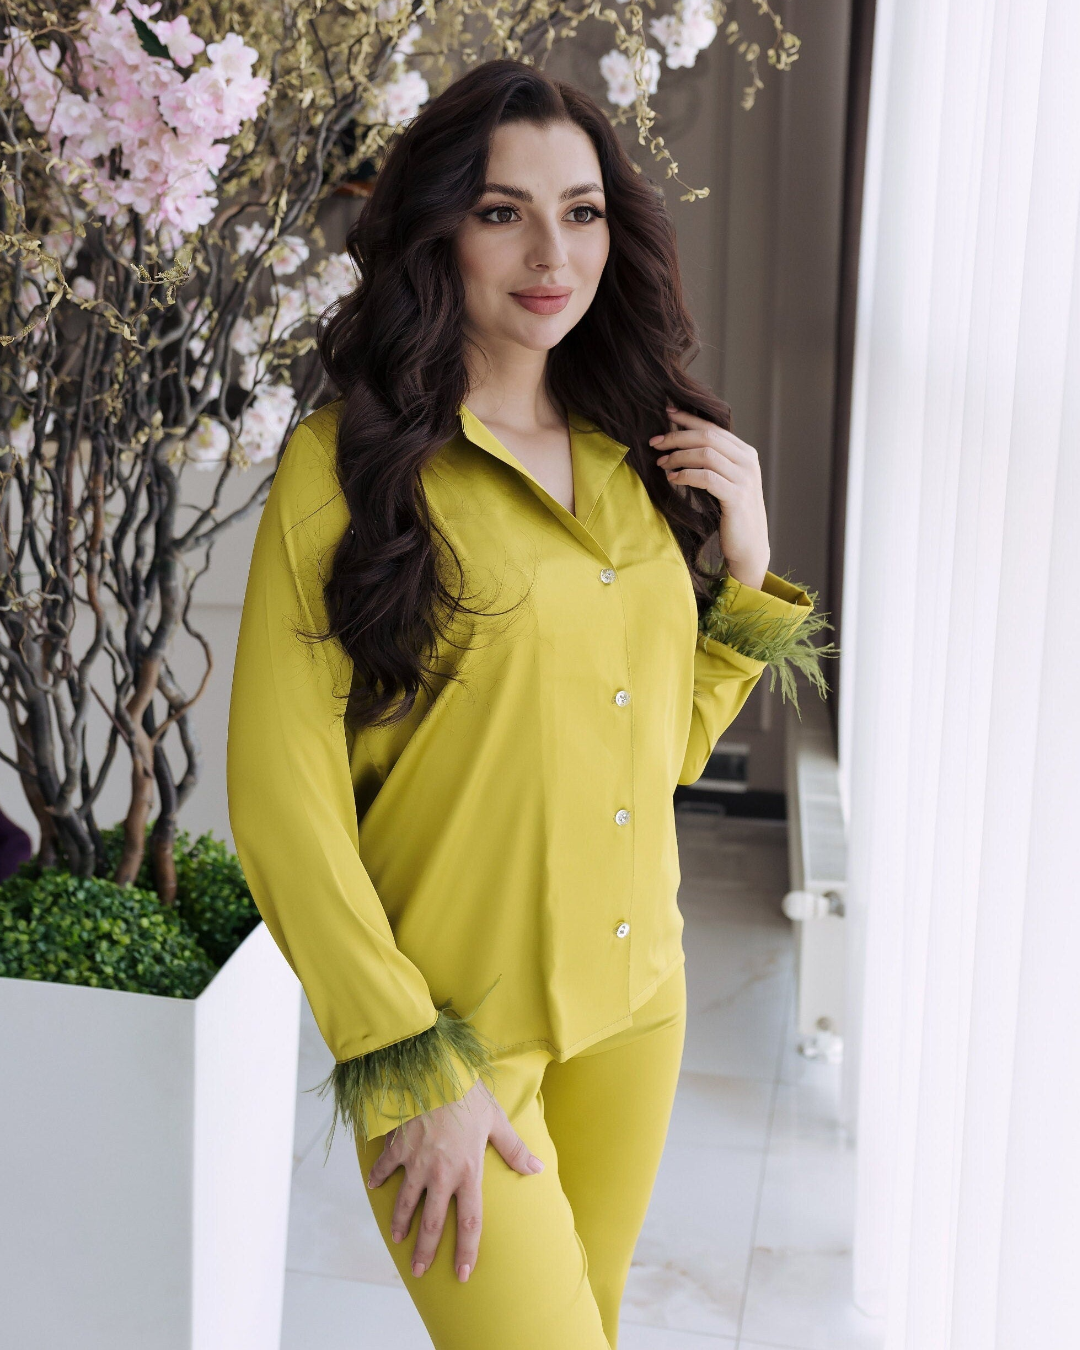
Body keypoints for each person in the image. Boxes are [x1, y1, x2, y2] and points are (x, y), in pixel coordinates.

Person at [226, 57, 824, 1350]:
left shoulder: (634, 448)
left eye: (583, 209)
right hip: (454, 1048)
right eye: (503, 210)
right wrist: (407, 1058)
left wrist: (748, 567)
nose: (552, 249)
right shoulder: (344, 470)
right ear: (438, 222)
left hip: (637, 1009)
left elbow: (650, 749)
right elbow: (284, 800)